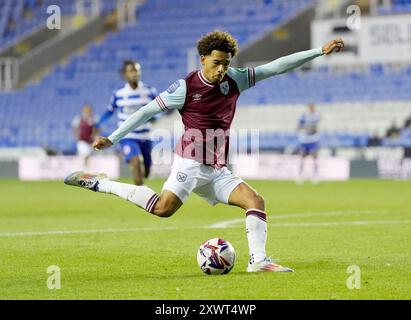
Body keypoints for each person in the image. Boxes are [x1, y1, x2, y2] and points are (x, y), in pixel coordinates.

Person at [65, 31, 344, 272]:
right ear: (202, 59)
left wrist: (319, 51)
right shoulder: (185, 87)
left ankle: (258, 261)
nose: (221, 69)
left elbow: (276, 67)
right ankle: (99, 182)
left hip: (217, 169)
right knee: (163, 209)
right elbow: (146, 111)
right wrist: (112, 139)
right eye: (216, 62)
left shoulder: (235, 79)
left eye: (225, 63)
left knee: (255, 201)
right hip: (188, 164)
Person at [96, 60, 158, 185]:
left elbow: (158, 109)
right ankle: (142, 194)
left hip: (145, 135)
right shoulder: (118, 94)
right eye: (131, 71)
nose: (135, 73)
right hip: (127, 136)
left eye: (137, 70)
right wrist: (97, 124)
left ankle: (146, 174)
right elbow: (109, 111)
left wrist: (155, 116)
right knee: (135, 162)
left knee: (147, 167)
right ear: (125, 74)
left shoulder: (149, 91)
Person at [296, 103, 321, 184]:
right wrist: (302, 129)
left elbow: (315, 126)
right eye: (311, 107)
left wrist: (310, 129)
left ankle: (315, 175)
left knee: (314, 157)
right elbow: (298, 126)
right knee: (302, 157)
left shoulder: (316, 115)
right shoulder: (304, 116)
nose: (312, 108)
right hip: (304, 140)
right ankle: (300, 175)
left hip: (313, 139)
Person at [71, 104, 98, 168]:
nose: (87, 112)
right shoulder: (79, 118)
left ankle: (84, 169)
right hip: (82, 141)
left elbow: (98, 128)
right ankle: (85, 170)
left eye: (89, 110)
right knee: (85, 154)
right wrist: (76, 136)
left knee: (88, 156)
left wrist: (95, 135)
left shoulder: (94, 118)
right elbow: (74, 128)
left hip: (90, 141)